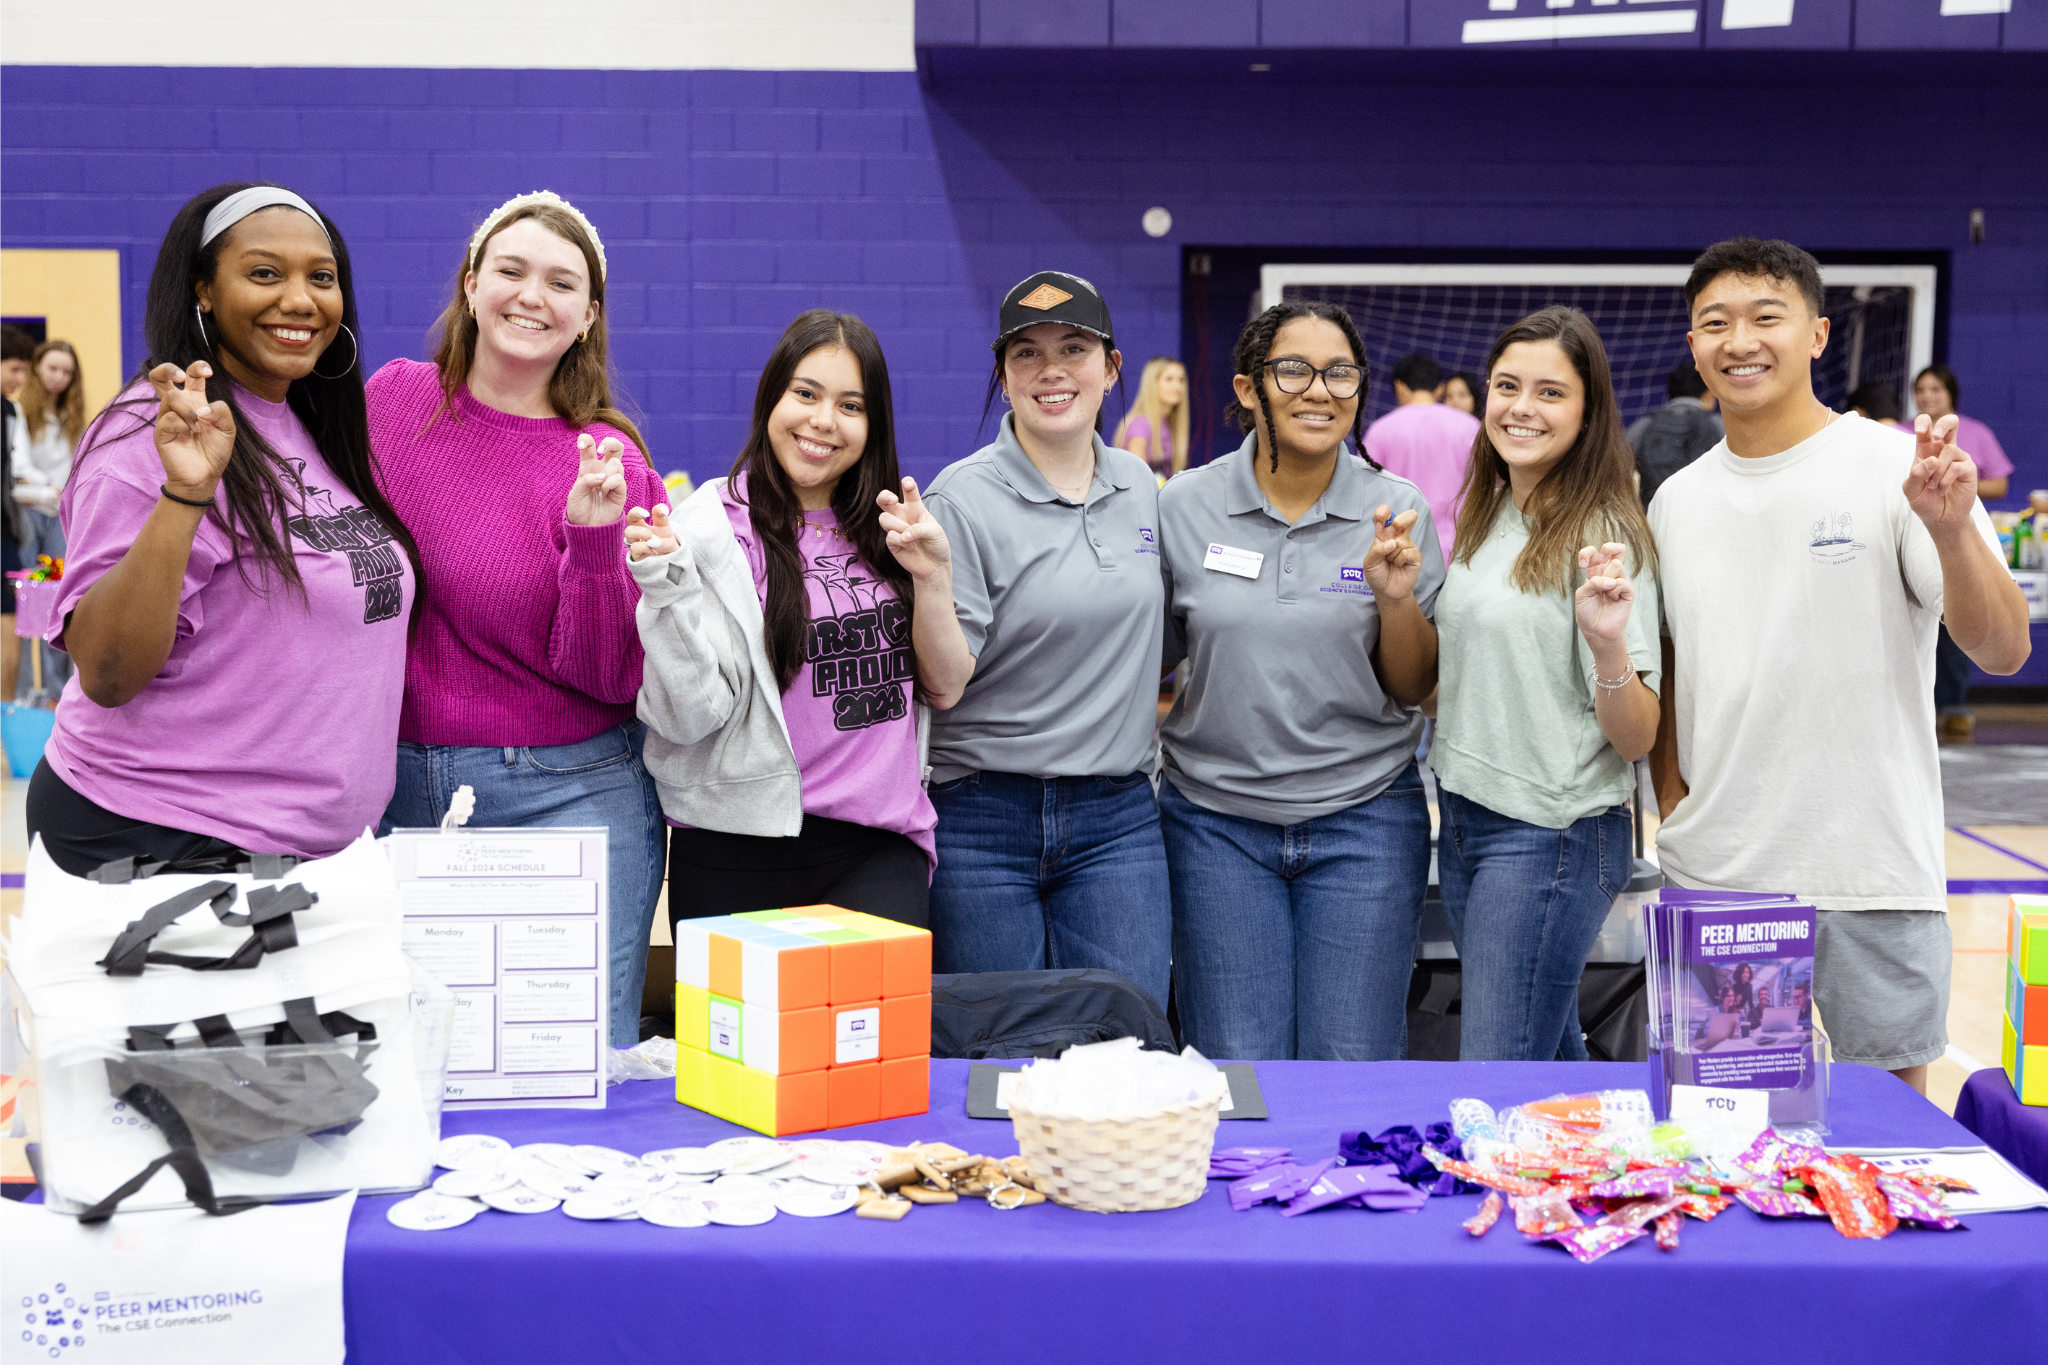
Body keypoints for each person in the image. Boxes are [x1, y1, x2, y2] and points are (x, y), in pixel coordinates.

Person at [1649, 236, 2029, 1095]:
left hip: (1872, 869)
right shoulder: (1676, 501)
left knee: (1884, 1143)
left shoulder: (1897, 466)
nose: (1739, 340)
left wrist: (1950, 529)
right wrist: (1676, 804)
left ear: (1818, 335)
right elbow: (1674, 670)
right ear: (1693, 347)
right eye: (1715, 322)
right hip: (1723, 878)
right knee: (1730, 1144)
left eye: (1765, 316)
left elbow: (2004, 649)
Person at [26, 182, 419, 875]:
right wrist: (186, 494)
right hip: (159, 833)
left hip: (294, 852)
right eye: (264, 273)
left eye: (320, 278)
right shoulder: (152, 436)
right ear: (203, 290)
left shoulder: (309, 424)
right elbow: (109, 671)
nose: (300, 299)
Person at [371, 191, 665, 1048]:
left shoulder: (611, 460)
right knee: (414, 1066)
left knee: (565, 1065)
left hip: (567, 793)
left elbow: (608, 675)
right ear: (470, 285)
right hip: (390, 788)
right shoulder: (393, 404)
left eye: (560, 282)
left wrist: (595, 537)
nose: (531, 295)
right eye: (511, 270)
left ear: (587, 317)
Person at [1158, 301, 1441, 1060]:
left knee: (1352, 1063)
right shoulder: (1185, 505)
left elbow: (1414, 686)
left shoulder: (1398, 512)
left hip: (1366, 819)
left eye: (1340, 373)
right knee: (1236, 1065)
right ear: (1251, 389)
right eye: (1295, 370)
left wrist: (1395, 597)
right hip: (1214, 824)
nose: (1319, 389)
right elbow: (1146, 654)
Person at [630, 309, 971, 933]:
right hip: (736, 846)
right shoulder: (709, 532)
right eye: (805, 394)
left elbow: (945, 686)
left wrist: (932, 577)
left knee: (873, 1035)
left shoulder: (894, 529)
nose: (822, 421)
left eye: (850, 404)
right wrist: (667, 594)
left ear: (873, 424)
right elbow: (686, 716)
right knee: (740, 1036)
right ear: (772, 399)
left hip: (875, 846)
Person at [918, 272, 1171, 1009]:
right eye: (1026, 353)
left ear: (1111, 367)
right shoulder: (958, 498)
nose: (1051, 370)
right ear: (1004, 377)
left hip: (1117, 818)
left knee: (1128, 1046)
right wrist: (930, 579)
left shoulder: (1142, 487)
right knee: (998, 1054)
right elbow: (943, 683)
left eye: (1073, 347)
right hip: (981, 816)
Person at [1431, 306, 1660, 1062]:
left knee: (1499, 1076)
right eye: (1507, 385)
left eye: (1550, 392)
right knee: (1549, 1055)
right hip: (1468, 818)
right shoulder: (1489, 509)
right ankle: (1616, 1180)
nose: (1521, 408)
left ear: (1589, 410)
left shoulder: (1607, 534)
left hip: (1551, 835)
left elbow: (1638, 736)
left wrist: (1606, 645)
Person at [1909, 363, 2016, 743]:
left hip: (1958, 534)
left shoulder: (1976, 433)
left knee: (1956, 625)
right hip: (1909, 534)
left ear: (1951, 393)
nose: (1927, 397)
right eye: (1921, 390)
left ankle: (1954, 707)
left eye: (1935, 389)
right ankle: (1917, 711)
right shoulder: (1897, 434)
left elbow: (2000, 483)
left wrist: (1955, 484)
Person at [13, 340, 85, 700]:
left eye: (67, 372)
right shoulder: (17, 413)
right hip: (25, 515)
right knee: (27, 604)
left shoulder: (73, 417)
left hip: (58, 517)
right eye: (52, 368)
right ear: (37, 369)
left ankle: (58, 692)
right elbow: (18, 473)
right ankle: (26, 690)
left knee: (56, 600)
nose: (59, 377)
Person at [1362, 352, 1478, 563]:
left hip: (1398, 551)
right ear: (1440, 388)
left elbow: (1363, 491)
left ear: (1399, 386)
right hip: (1462, 549)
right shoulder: (1470, 427)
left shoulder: (1380, 431)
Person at [1629, 360, 1723, 508]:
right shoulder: (1719, 425)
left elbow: (1616, 473)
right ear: (1709, 394)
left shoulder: (1644, 426)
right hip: (1709, 515)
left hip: (1656, 521)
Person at [0, 325, 32, 705]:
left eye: (26, 371)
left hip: (6, 530)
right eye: (13, 369)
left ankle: (6, 717)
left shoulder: (9, 408)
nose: (21, 380)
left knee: (10, 618)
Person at [1113, 355, 1189, 481]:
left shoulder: (1167, 424)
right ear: (1152, 384)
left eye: (1181, 380)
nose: (1177, 386)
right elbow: (1137, 480)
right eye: (1169, 379)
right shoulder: (1141, 425)